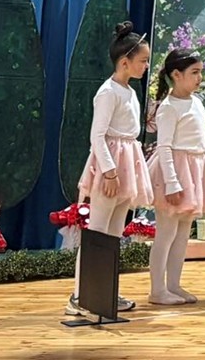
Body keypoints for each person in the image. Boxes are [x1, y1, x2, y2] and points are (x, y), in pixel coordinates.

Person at [66, 22, 153, 316]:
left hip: (127, 162)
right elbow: (97, 136)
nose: (146, 66)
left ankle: (105, 293)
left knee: (114, 234)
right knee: (98, 232)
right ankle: (80, 295)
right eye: (143, 61)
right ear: (124, 61)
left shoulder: (129, 91)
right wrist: (110, 172)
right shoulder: (107, 92)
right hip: (111, 167)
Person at [146, 48, 205, 306]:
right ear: (176, 74)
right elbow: (164, 146)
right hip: (174, 171)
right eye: (194, 72)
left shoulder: (196, 103)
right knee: (165, 233)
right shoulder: (168, 107)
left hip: (193, 170)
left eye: (200, 72)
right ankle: (157, 289)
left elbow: (201, 143)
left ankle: (173, 284)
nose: (199, 78)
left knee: (183, 232)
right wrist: (172, 182)